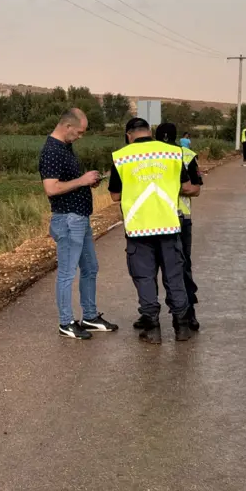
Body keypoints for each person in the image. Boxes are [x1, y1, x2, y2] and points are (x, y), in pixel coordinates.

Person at [109, 118, 200, 343]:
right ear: (149, 131)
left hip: (139, 229)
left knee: (145, 278)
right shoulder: (172, 154)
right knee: (174, 277)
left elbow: (115, 195)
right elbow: (187, 187)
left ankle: (152, 329)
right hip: (169, 225)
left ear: (129, 135)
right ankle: (181, 327)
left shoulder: (121, 157)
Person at [39, 108, 118, 340]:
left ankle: (90, 316)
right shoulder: (52, 151)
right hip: (67, 219)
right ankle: (66, 322)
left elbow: (68, 182)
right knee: (66, 273)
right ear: (67, 126)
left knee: (90, 268)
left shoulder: (65, 147)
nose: (80, 136)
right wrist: (82, 181)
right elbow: (51, 188)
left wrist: (86, 183)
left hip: (80, 218)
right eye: (79, 132)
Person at [155, 123, 203, 330]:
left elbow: (196, 188)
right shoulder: (151, 155)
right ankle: (151, 315)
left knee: (181, 267)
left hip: (178, 219)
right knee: (154, 269)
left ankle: (188, 312)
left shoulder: (186, 155)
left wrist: (171, 188)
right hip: (157, 217)